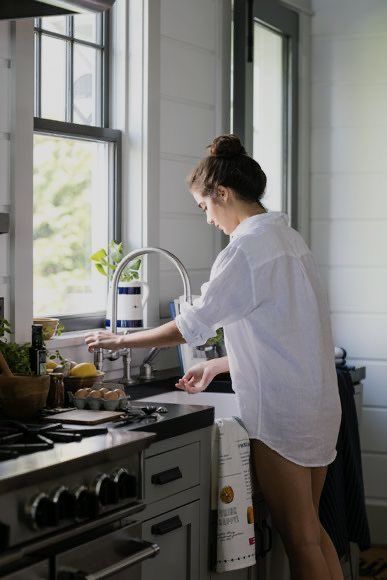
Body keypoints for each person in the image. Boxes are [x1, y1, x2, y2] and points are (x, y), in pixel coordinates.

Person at [85, 134, 342, 580]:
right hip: (315, 403)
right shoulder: (287, 238)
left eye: (204, 207)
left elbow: (189, 326)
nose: (207, 219)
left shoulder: (244, 249)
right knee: (313, 532)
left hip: (282, 413)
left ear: (221, 193)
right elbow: (290, 332)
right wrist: (218, 364)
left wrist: (120, 341)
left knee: (299, 541)